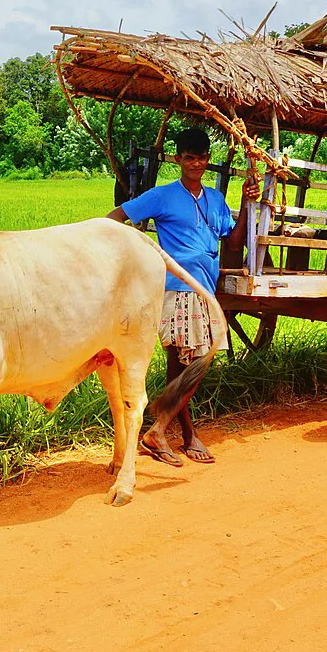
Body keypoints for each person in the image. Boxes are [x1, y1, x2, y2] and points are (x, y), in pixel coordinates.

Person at [106, 127, 258, 467]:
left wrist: (248, 201)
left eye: (202, 158)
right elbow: (116, 217)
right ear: (178, 160)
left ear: (207, 160)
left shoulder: (216, 200)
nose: (197, 163)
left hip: (206, 287)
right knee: (198, 362)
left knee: (183, 364)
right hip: (177, 288)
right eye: (190, 157)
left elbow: (233, 243)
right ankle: (160, 429)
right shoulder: (162, 196)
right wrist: (134, 252)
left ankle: (179, 433)